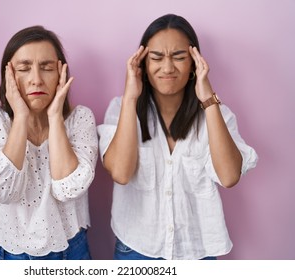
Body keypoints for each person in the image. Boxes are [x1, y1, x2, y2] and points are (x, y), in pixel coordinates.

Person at [97, 14, 258, 260]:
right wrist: (131, 97)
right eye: (156, 58)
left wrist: (208, 99)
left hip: (198, 253)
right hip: (137, 250)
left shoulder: (217, 115)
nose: (168, 67)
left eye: (179, 57)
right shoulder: (121, 108)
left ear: (195, 62)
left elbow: (228, 177)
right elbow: (120, 172)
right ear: (142, 63)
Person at [0, 26, 98, 260]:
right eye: (24, 68)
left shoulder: (80, 119)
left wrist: (54, 117)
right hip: (4, 252)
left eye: (47, 68)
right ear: (8, 75)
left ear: (61, 73)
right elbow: (1, 191)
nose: (36, 80)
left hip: (70, 250)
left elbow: (68, 189)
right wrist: (21, 117)